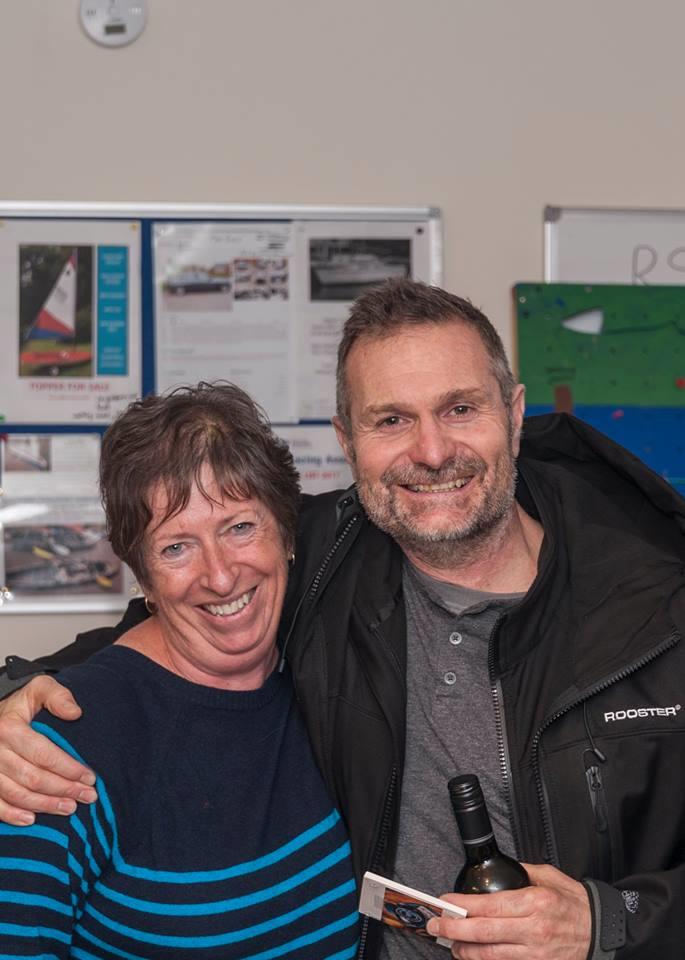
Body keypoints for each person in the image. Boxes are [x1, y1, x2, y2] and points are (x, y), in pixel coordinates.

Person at [1, 280, 684, 959]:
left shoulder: (656, 606)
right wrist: (18, 691)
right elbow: (174, 621)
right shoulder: (321, 564)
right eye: (390, 420)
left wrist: (611, 921)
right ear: (346, 441)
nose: (432, 451)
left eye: (458, 408)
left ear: (512, 414)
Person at [0, 382, 359, 958]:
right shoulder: (51, 754)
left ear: (288, 535)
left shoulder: (329, 675)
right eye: (176, 548)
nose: (220, 576)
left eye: (240, 527)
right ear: (143, 578)